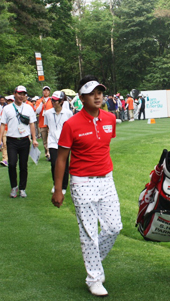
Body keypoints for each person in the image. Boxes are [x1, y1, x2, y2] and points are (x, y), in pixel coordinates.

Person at [52, 76, 122, 297]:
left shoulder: (110, 119)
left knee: (114, 227)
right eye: (92, 93)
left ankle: (92, 261)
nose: (98, 96)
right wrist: (58, 189)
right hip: (82, 182)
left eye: (100, 91)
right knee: (89, 233)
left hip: (106, 180)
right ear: (81, 97)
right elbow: (62, 158)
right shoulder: (71, 124)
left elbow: (105, 145)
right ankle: (94, 277)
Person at [0, 85, 38, 198]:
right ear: (15, 94)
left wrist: (34, 139)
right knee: (11, 164)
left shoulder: (29, 108)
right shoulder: (7, 108)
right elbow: (2, 125)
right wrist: (0, 140)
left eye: (24, 94)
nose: (21, 96)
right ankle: (14, 186)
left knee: (23, 166)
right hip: (12, 140)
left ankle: (22, 188)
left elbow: (32, 124)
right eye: (19, 94)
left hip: (25, 140)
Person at [45, 90, 73, 195]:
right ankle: (56, 184)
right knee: (54, 164)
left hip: (65, 142)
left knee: (64, 164)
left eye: (56, 100)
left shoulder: (68, 113)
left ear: (61, 101)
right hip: (52, 141)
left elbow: (71, 128)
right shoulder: (48, 113)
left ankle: (64, 185)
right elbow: (47, 127)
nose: (53, 102)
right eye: (52, 100)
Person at [35, 85, 53, 160]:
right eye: (44, 90)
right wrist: (42, 104)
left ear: (49, 92)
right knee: (45, 139)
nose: (46, 92)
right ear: (42, 92)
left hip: (51, 122)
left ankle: (50, 153)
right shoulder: (39, 101)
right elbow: (37, 111)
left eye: (47, 90)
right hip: (42, 122)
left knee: (51, 138)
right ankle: (47, 153)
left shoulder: (52, 100)